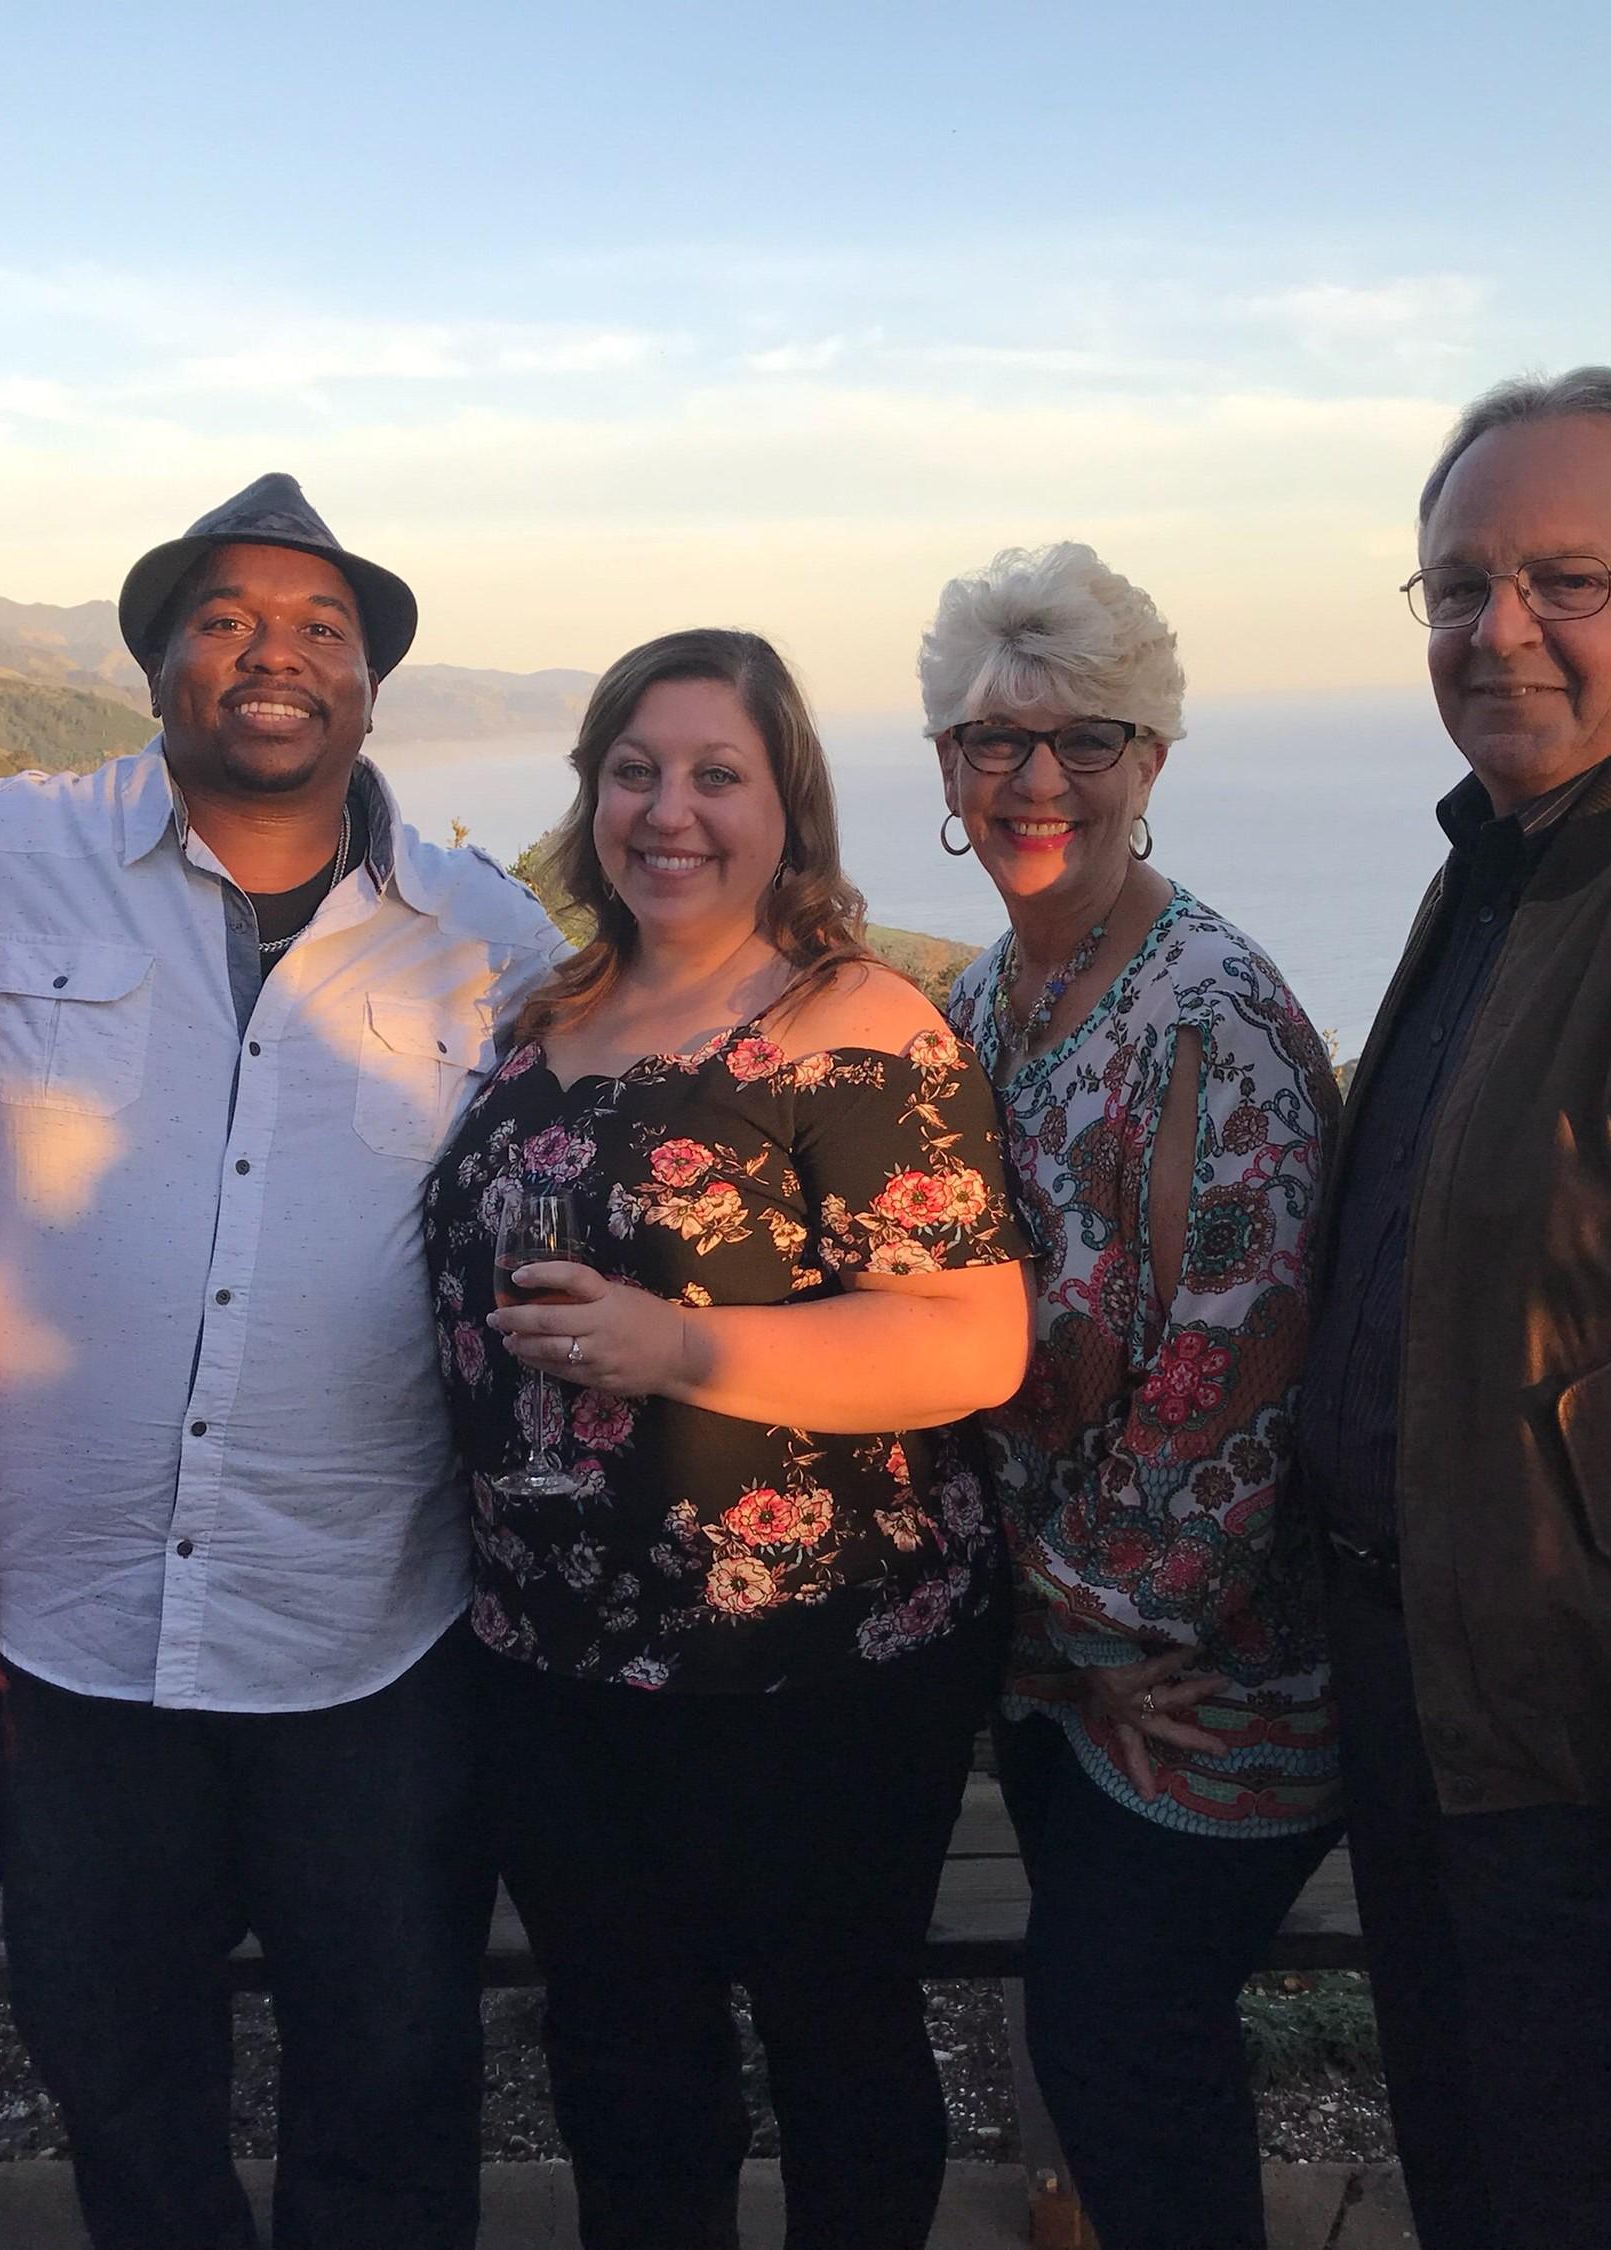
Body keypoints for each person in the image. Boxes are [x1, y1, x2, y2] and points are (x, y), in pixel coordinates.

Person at [0, 475, 560, 2250]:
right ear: (152, 665)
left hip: (366, 1629)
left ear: (371, 685)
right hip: (82, 1641)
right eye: (224, 618)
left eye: (321, 630)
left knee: (389, 2059)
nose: (273, 655)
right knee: (112, 2053)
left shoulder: (484, 936)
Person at [422, 627, 1033, 2250]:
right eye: (634, 771)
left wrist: (682, 1344)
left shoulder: (857, 1023)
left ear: (786, 806)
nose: (667, 810)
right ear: (589, 797)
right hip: (551, 1668)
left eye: (714, 774)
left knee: (836, 2044)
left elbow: (972, 1337)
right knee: (623, 2062)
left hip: (815, 1673)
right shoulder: (545, 1011)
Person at [1295, 367, 1611, 2250]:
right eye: (1453, 585)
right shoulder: (1513, 860)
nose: (1497, 627)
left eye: (1562, 579)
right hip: (1457, 1739)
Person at [919, 547, 1340, 2249]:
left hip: (1199, 1676)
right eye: (992, 742)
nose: (1034, 780)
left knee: (1118, 2037)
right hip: (1064, 1661)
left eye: (1083, 740)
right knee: (1112, 2051)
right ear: (945, 768)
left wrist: (1083, 1645)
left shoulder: (1207, 1020)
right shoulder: (980, 996)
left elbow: (1227, 1389)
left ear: (1148, 761)